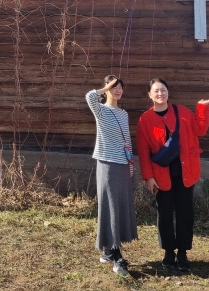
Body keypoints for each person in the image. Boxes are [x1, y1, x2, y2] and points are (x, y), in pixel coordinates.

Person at [136, 78, 209, 272]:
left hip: (186, 174)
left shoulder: (182, 112)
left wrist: (202, 108)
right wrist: (148, 177)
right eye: (156, 91)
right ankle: (168, 252)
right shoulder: (145, 120)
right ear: (149, 94)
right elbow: (143, 151)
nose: (160, 93)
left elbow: (200, 129)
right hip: (161, 176)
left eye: (163, 90)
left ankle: (183, 253)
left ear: (168, 92)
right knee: (164, 215)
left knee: (185, 214)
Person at [85, 75, 138, 278]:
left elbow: (126, 141)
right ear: (107, 88)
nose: (117, 90)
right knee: (110, 206)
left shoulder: (123, 113)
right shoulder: (101, 109)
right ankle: (116, 257)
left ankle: (108, 251)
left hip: (123, 164)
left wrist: (130, 162)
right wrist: (104, 87)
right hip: (107, 164)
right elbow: (89, 96)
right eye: (114, 87)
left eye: (120, 87)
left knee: (119, 205)